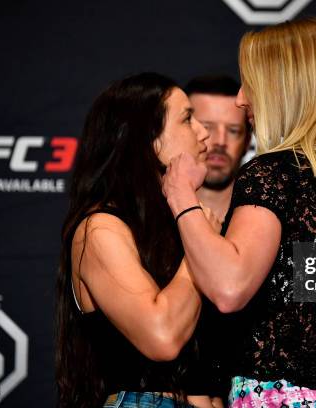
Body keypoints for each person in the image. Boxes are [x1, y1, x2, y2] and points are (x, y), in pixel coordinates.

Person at [163, 17, 316, 408]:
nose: (242, 98)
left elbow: (229, 290)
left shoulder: (273, 174)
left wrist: (181, 197)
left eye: (251, 83)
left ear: (284, 89)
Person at [55, 72, 224, 408]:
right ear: (150, 141)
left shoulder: (175, 226)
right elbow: (161, 336)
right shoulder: (100, 229)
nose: (204, 133)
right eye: (188, 119)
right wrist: (200, 247)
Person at [185, 75, 251, 221]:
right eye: (206, 127)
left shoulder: (271, 220)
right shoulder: (146, 219)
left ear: (247, 141)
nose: (220, 142)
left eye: (233, 130)